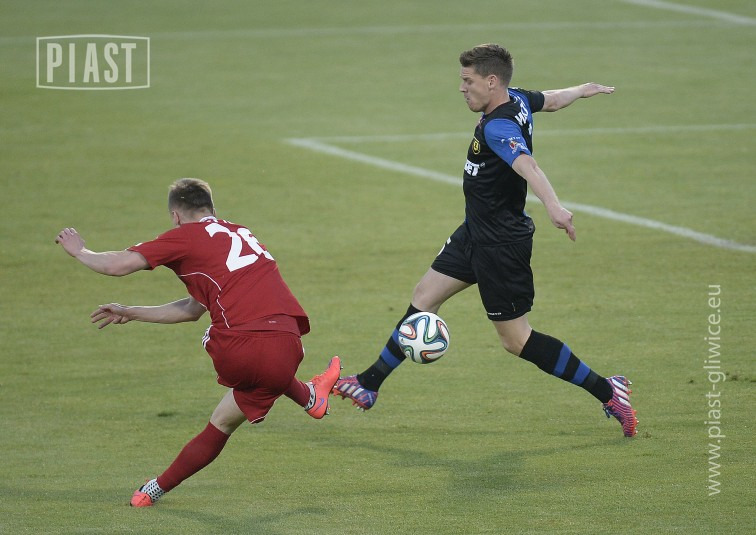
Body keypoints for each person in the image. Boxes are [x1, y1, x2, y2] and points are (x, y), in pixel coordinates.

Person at [332, 44, 637, 437]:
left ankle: (608, 391)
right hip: (474, 231)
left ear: (492, 81)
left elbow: (527, 164)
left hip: (501, 245)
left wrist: (554, 206)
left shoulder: (498, 127)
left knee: (517, 340)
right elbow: (552, 100)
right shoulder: (519, 98)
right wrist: (582, 89)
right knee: (424, 296)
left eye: (468, 80)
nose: (462, 88)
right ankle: (369, 383)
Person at [55, 178, 342, 507]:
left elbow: (117, 265)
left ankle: (309, 397)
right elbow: (193, 308)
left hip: (241, 346)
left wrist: (80, 251)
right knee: (223, 420)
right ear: (212, 208)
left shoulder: (184, 236)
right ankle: (310, 398)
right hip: (289, 343)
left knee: (219, 337)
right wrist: (131, 312)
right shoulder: (241, 232)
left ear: (175, 216)